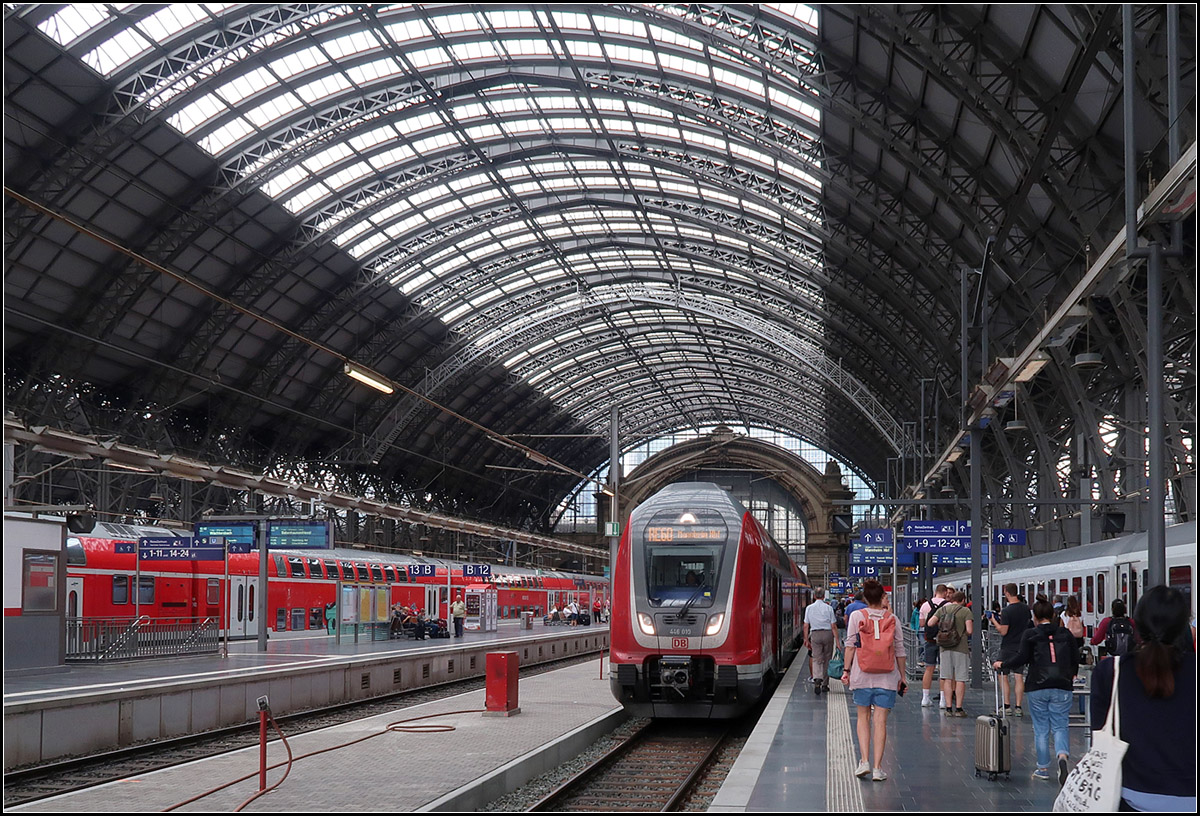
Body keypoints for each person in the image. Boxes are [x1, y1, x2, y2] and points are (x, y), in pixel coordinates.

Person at [1090, 585, 1195, 811]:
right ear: (1183, 626)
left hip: (1131, 796)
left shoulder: (1111, 672)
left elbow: (1099, 734)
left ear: (1137, 624)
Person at [994, 598, 1078, 784]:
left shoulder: (1030, 634)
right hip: (1062, 686)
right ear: (1053, 615)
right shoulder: (1065, 634)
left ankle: (1043, 768)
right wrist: (1072, 675)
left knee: (1041, 728)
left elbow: (1021, 658)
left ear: (1035, 617)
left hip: (1037, 686)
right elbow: (1075, 657)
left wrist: (1002, 664)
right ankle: (1062, 757)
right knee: (1060, 725)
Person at [840, 579, 906, 782]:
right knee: (881, 721)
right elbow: (900, 650)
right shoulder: (892, 618)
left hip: (862, 675)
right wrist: (902, 676)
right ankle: (878, 768)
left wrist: (846, 670)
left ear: (865, 598)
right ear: (883, 597)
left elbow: (850, 645)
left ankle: (864, 761)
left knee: (863, 718)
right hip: (887, 678)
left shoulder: (857, 616)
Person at [929, 590, 972, 717]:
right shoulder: (965, 611)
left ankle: (948, 708)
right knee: (960, 679)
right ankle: (958, 709)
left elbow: (930, 622)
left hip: (945, 647)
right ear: (963, 600)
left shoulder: (943, 610)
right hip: (961, 648)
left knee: (947, 678)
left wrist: (943, 627)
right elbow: (969, 630)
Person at [991, 583, 1032, 716]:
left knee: (1003, 675)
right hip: (1021, 646)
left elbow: (1003, 631)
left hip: (1008, 646)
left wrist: (994, 621)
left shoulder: (1007, 611)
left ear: (1006, 593)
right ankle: (1018, 707)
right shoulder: (1026, 609)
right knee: (1019, 676)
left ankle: (1006, 705)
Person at [918, 584, 951, 708]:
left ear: (935, 592)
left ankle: (925, 698)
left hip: (929, 640)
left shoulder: (925, 605)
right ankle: (943, 700)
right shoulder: (948, 605)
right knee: (943, 670)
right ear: (945, 592)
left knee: (929, 668)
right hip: (944, 641)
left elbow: (922, 623)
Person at [803, 588, 838, 696]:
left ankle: (817, 678)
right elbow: (833, 625)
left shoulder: (809, 608)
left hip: (815, 634)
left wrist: (805, 639)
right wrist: (837, 640)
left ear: (814, 596)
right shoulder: (829, 608)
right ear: (823, 596)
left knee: (816, 658)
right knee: (827, 658)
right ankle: (825, 684)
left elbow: (806, 625)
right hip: (827, 634)